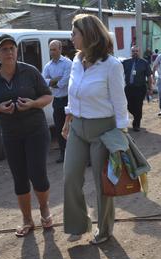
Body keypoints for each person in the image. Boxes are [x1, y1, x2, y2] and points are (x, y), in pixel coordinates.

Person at [62, 14, 129, 245]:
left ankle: (104, 229)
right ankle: (78, 224)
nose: (71, 38)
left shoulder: (112, 65)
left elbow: (120, 103)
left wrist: (121, 135)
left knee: (103, 183)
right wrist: (67, 119)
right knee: (70, 177)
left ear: (88, 34)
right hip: (78, 127)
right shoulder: (75, 62)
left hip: (104, 129)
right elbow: (73, 95)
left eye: (74, 33)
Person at [0, 34, 53, 237]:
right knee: (19, 178)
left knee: (37, 173)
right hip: (11, 134)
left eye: (12, 48)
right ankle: (27, 220)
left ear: (16, 51)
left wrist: (33, 104)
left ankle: (45, 209)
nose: (9, 52)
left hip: (36, 131)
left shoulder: (30, 72)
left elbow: (48, 96)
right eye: (4, 49)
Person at [42, 40, 72, 163]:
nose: (52, 52)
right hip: (57, 101)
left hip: (68, 100)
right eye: (50, 49)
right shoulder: (48, 66)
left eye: (54, 49)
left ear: (60, 49)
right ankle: (63, 153)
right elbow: (43, 81)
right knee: (59, 127)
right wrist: (55, 81)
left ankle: (74, 153)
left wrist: (53, 82)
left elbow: (64, 82)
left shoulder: (67, 63)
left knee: (71, 128)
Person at [122, 46, 153, 131]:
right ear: (131, 52)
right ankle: (137, 117)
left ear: (139, 52)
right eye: (133, 51)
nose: (135, 52)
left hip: (140, 88)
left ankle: (136, 125)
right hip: (128, 88)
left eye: (136, 51)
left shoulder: (144, 63)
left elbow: (149, 76)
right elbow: (118, 73)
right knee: (128, 106)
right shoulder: (125, 62)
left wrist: (150, 88)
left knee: (138, 107)